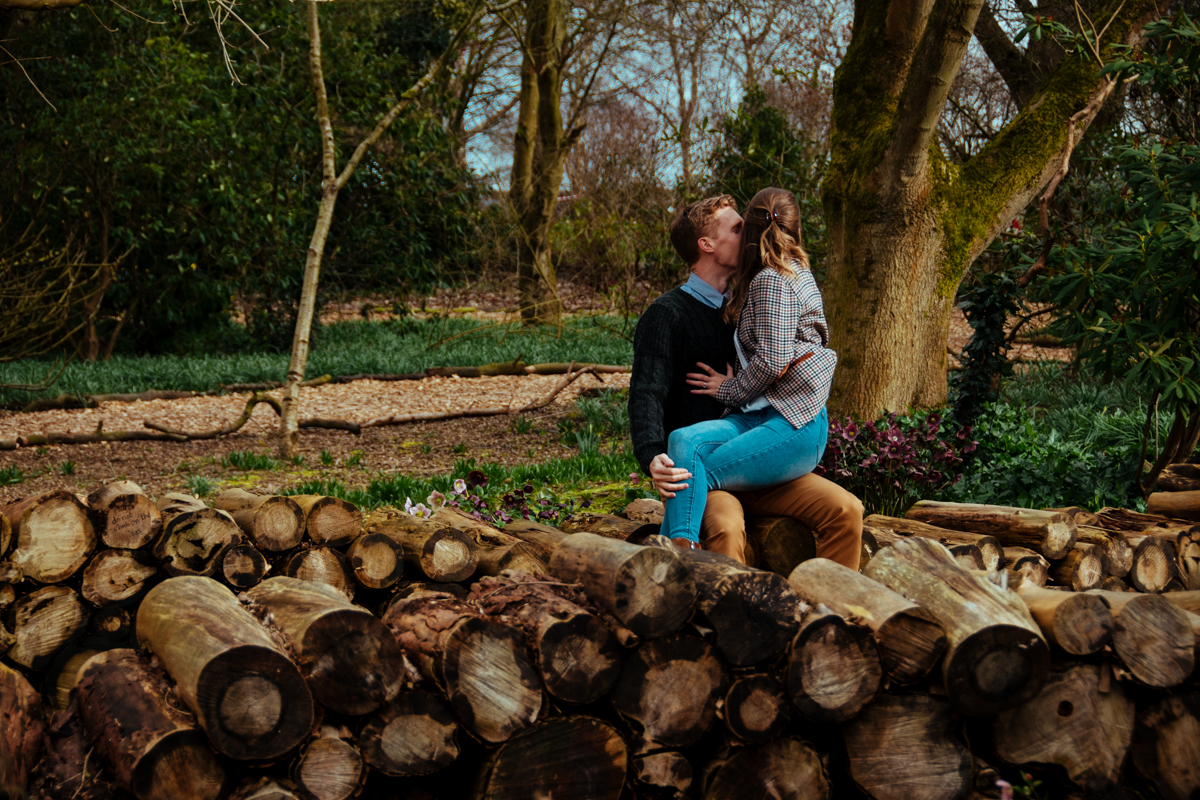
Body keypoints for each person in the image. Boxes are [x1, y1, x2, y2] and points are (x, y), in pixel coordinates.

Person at [628, 193, 862, 567]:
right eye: (738, 228)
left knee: (847, 509)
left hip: (755, 450)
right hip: (700, 462)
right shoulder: (667, 314)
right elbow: (646, 393)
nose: (753, 232)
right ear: (707, 245)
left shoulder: (749, 302)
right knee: (726, 527)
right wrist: (651, 455)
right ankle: (717, 613)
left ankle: (832, 609)